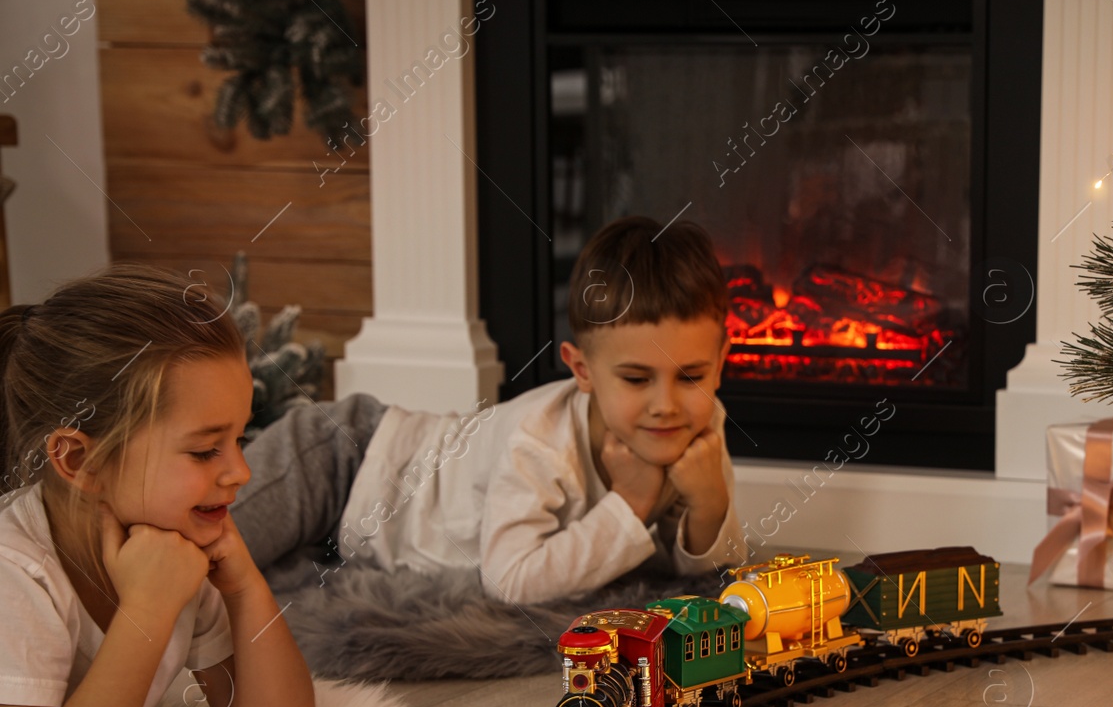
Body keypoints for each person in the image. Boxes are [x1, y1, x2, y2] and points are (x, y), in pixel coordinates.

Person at [231, 215, 747, 604]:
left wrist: (710, 504)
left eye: (692, 376)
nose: (666, 405)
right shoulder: (538, 441)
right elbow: (510, 581)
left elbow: (708, 579)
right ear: (581, 369)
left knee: (249, 580)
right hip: (347, 460)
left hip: (350, 535)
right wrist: (631, 503)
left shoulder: (700, 425)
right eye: (636, 378)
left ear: (720, 363)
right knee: (208, 546)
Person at [0, 265, 318, 707]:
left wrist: (245, 590)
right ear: (80, 460)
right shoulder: (16, 570)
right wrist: (146, 610)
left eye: (240, 438)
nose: (240, 471)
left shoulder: (176, 546)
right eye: (203, 450)